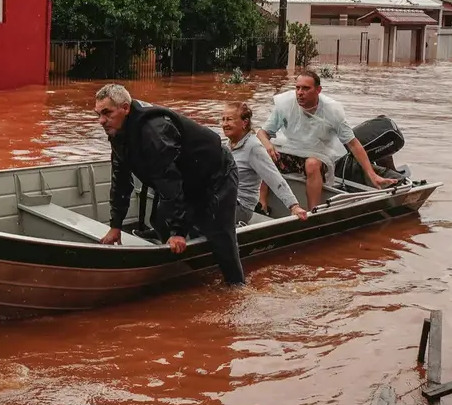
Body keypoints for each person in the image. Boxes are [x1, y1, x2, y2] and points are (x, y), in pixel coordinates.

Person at [94, 84, 244, 286]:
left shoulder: (155, 131)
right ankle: (185, 275)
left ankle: (236, 287)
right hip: (186, 179)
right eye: (98, 114)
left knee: (220, 233)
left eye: (107, 113)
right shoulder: (117, 132)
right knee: (159, 220)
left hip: (217, 175)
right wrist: (116, 226)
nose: (101, 121)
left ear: (126, 108)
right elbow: (120, 181)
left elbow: (169, 181)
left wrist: (178, 232)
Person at [255, 72, 398, 210]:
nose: (300, 92)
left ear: (318, 90)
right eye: (297, 88)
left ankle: (314, 211)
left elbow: (353, 144)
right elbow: (262, 132)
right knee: (264, 153)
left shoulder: (332, 111)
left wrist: (372, 175)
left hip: (318, 155)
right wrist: (267, 144)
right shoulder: (286, 104)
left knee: (312, 163)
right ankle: (261, 203)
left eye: (306, 88)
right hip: (291, 150)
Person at [220, 102, 309, 225]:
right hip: (226, 199)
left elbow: (274, 177)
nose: (224, 124)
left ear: (245, 123)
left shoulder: (253, 147)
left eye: (229, 119)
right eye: (223, 119)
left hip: (241, 207)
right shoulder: (228, 145)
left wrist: (293, 206)